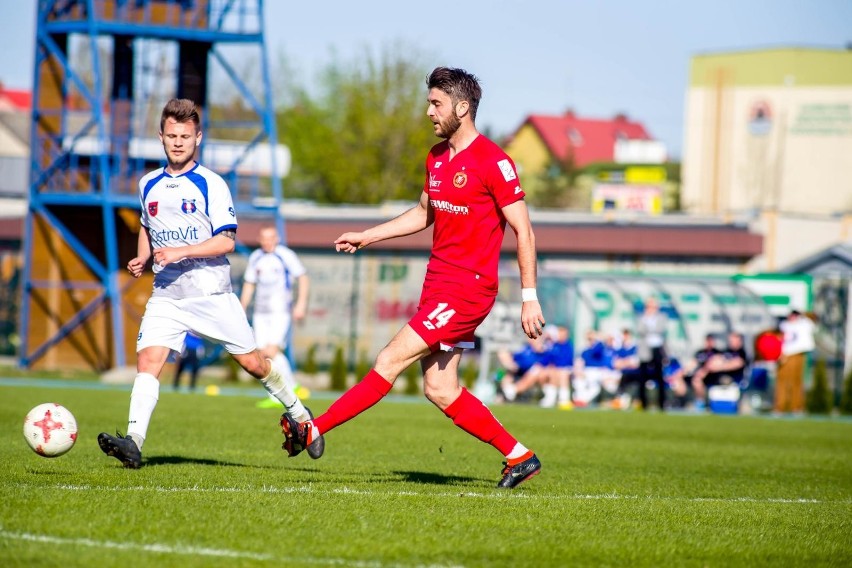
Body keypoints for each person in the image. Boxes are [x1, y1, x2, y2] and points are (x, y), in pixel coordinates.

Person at [279, 67, 545, 489]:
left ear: (462, 107)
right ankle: (520, 456)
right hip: (438, 285)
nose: (428, 112)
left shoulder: (496, 162)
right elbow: (423, 214)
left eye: (436, 103)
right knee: (439, 388)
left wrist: (530, 297)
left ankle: (315, 427)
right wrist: (369, 235)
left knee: (388, 360)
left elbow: (524, 230)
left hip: (468, 290)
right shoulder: (436, 157)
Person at [97, 98, 323, 468]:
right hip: (167, 294)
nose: (178, 142)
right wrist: (143, 256)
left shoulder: (211, 184)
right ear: (161, 136)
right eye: (171, 135)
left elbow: (227, 241)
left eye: (185, 136)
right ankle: (133, 442)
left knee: (254, 363)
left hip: (210, 293)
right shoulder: (147, 184)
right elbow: (146, 226)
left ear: (197, 138)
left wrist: (181, 251)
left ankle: (300, 414)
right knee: (148, 361)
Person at [240, 224, 310, 408]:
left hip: (280, 311)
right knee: (263, 354)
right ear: (259, 239)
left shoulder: (285, 255)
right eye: (264, 238)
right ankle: (293, 386)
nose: (267, 241)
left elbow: (303, 277)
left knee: (272, 351)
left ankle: (278, 395)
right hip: (261, 313)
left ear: (276, 238)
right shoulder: (256, 257)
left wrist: (301, 304)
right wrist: (242, 307)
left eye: (271, 237)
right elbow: (249, 283)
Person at [691, 331, 748, 406]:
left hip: (732, 379)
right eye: (731, 339)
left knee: (724, 380)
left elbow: (736, 364)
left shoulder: (741, 353)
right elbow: (714, 361)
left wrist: (721, 366)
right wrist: (704, 371)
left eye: (734, 339)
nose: (731, 341)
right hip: (717, 376)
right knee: (697, 380)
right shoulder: (726, 351)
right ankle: (701, 402)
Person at [775, 310, 816, 414]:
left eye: (794, 315)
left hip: (797, 354)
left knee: (796, 381)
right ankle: (780, 406)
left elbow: (813, 318)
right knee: (782, 382)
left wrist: (802, 314)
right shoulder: (784, 325)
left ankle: (797, 407)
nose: (792, 317)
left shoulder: (804, 324)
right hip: (784, 355)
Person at [634, 297, 669, 410]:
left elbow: (660, 330)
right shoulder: (642, 318)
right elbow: (640, 330)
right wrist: (647, 320)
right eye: (649, 306)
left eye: (653, 306)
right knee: (643, 377)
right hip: (645, 349)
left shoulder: (661, 317)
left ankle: (662, 404)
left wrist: (649, 328)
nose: (651, 309)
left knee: (660, 376)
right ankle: (643, 403)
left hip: (657, 348)